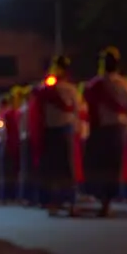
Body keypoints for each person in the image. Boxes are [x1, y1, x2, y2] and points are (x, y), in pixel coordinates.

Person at [82, 47, 127, 217]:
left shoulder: (94, 84)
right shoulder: (124, 84)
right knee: (113, 166)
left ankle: (102, 200)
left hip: (99, 129)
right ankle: (108, 201)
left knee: (99, 165)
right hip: (117, 129)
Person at [32, 56, 80, 215]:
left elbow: (76, 109)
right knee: (55, 167)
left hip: (61, 129)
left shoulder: (69, 89)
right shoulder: (47, 89)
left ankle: (68, 201)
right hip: (52, 129)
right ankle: (55, 202)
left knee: (63, 167)